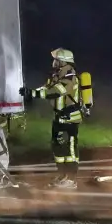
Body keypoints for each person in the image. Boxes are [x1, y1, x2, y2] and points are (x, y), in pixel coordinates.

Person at [28, 48, 86, 187]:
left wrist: (35, 95)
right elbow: (46, 88)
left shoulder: (69, 76)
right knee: (57, 146)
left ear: (63, 61)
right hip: (59, 116)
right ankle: (62, 175)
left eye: (56, 60)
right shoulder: (58, 75)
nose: (54, 62)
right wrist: (30, 92)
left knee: (70, 147)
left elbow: (57, 91)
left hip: (70, 117)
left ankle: (71, 179)